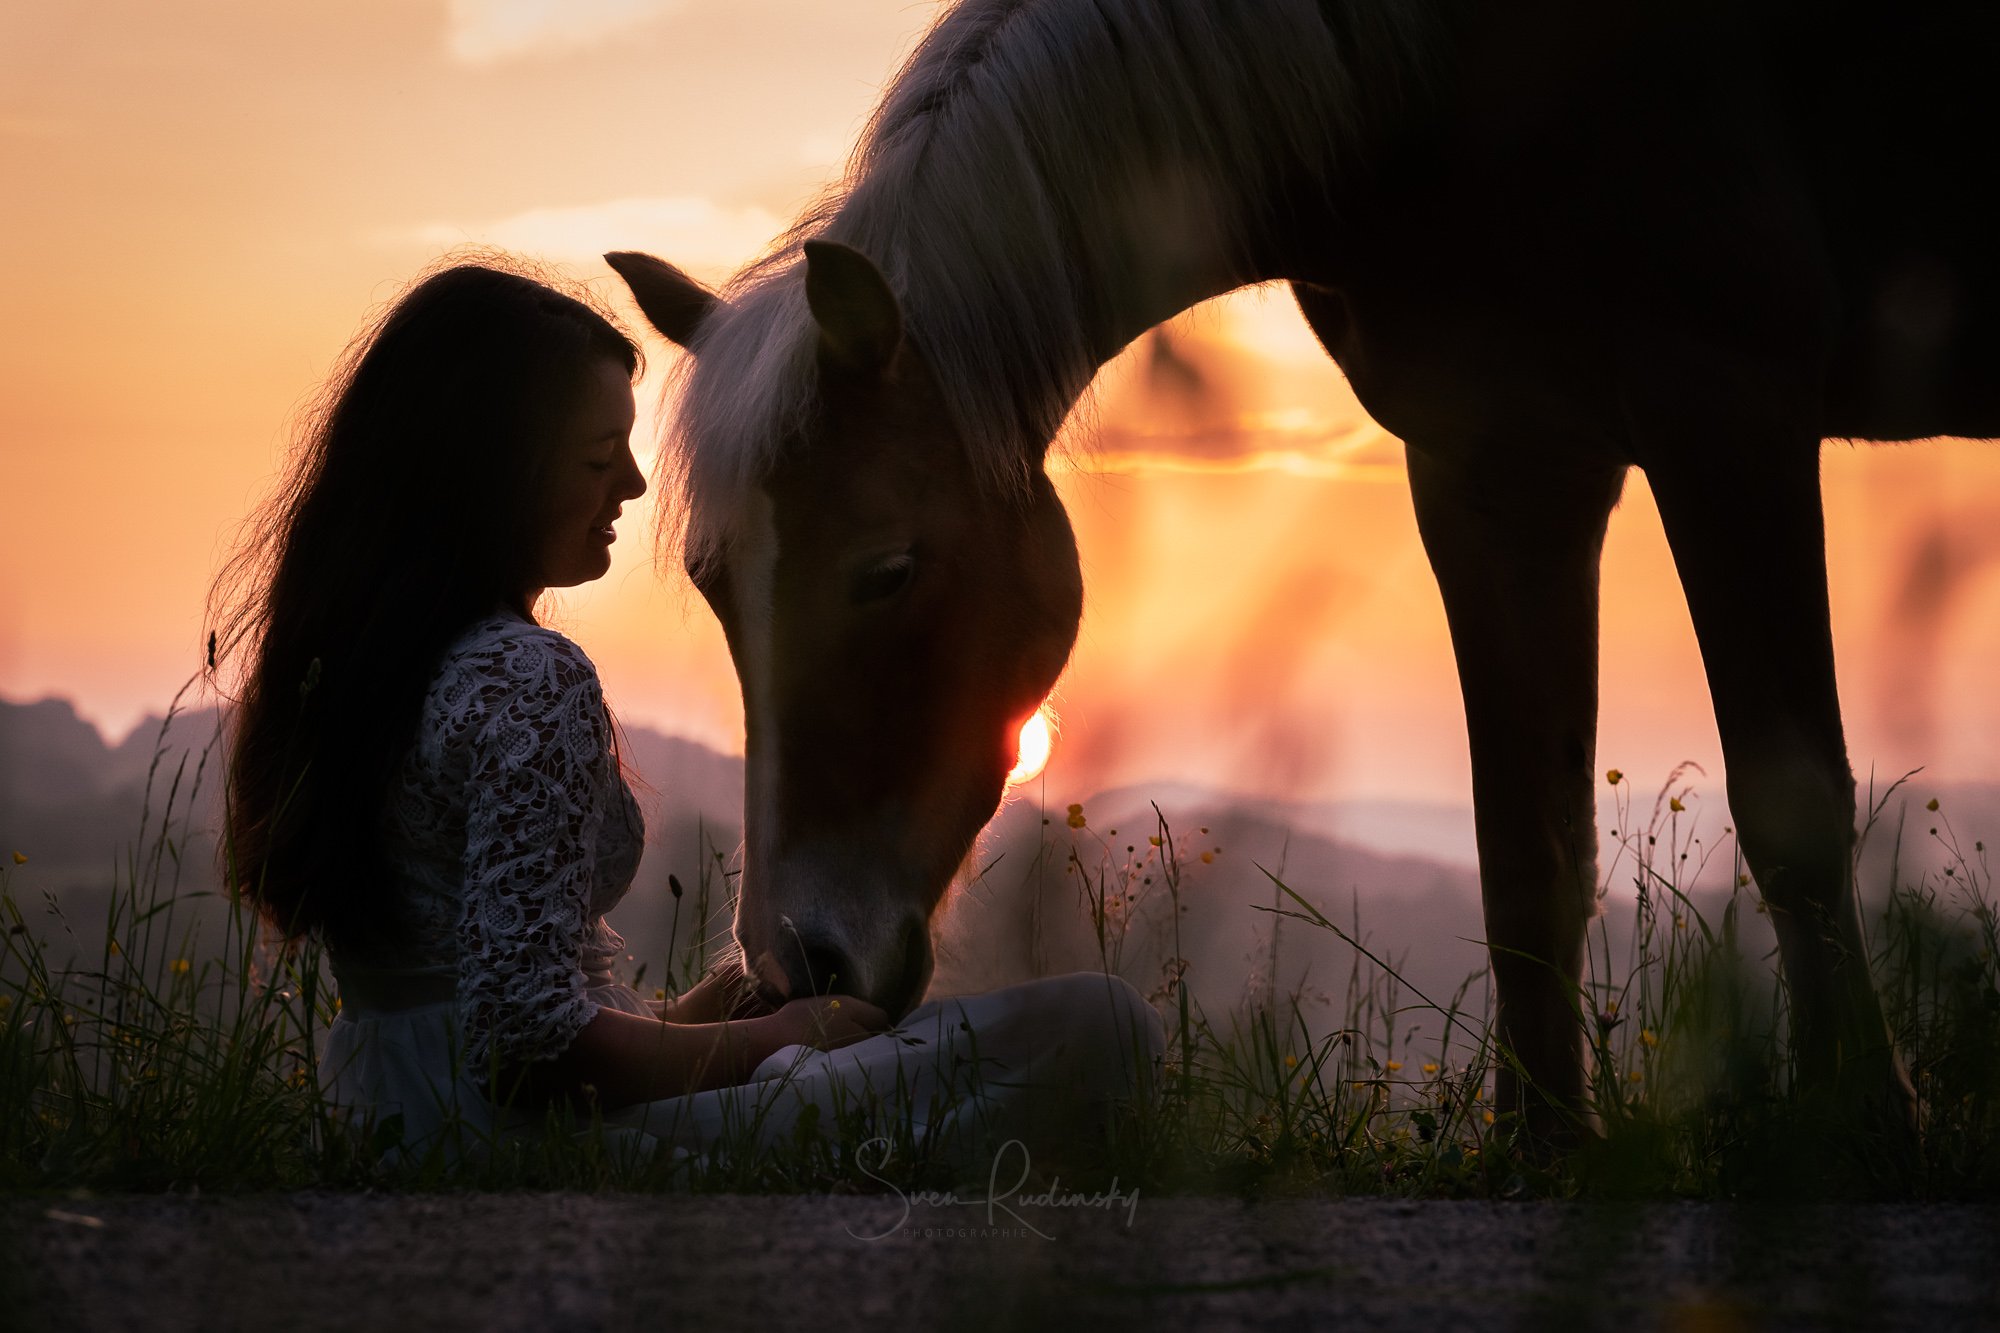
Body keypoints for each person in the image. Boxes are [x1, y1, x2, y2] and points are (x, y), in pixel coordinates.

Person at [207, 256, 1162, 1170]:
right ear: (494, 470)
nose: (632, 483)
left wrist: (713, 1011)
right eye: (597, 456)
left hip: (405, 1124)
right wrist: (774, 1040)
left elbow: (497, 1013)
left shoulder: (362, 672)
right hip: (549, 1141)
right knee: (1095, 1025)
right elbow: (531, 1053)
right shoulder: (530, 681)